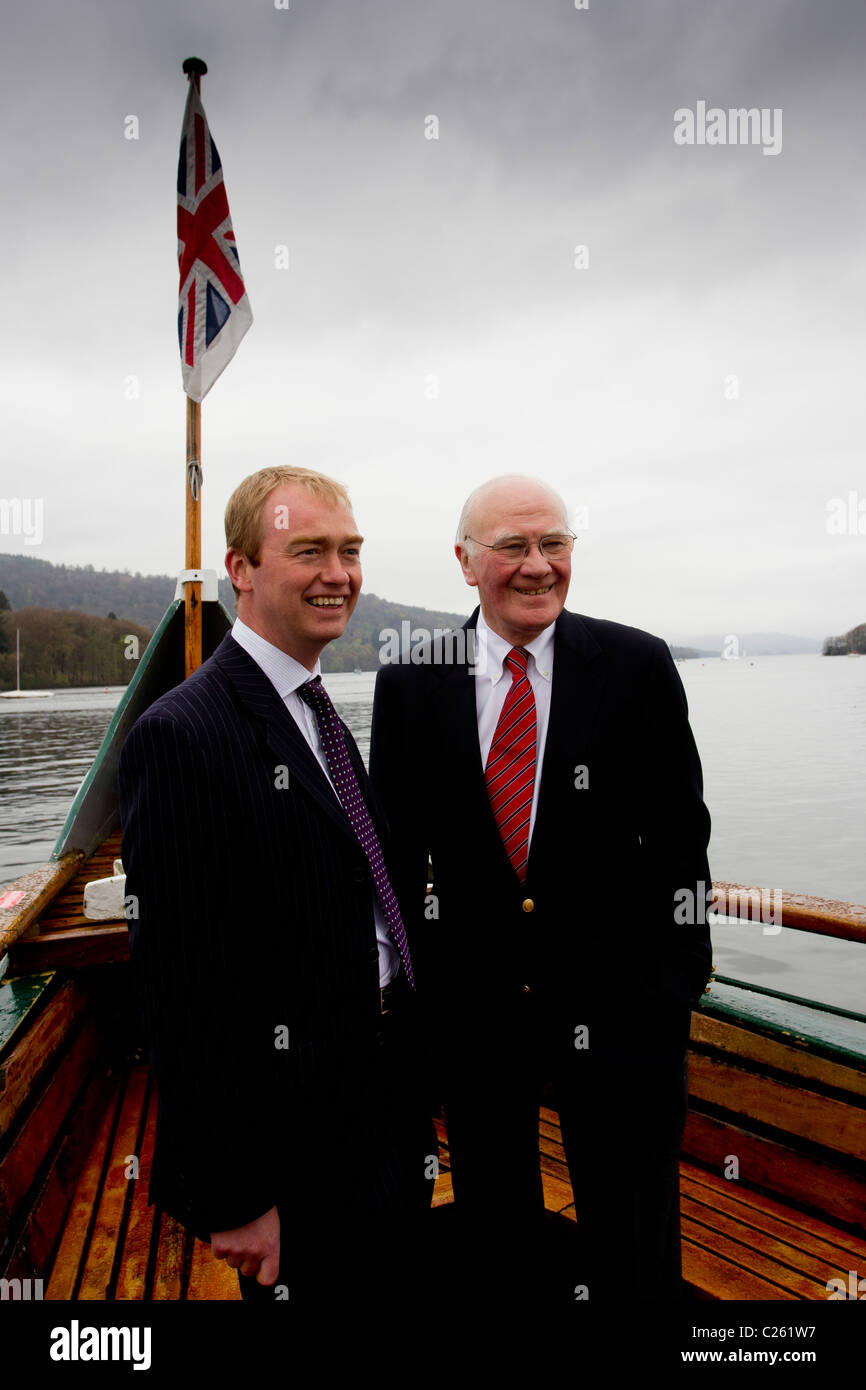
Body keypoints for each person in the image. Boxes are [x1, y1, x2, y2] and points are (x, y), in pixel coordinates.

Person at [369, 474, 713, 1306]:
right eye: (513, 547)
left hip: (624, 1010)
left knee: (633, 1241)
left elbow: (681, 841)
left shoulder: (635, 664)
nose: (537, 566)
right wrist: (415, 1007)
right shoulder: (413, 679)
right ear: (465, 561)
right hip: (476, 1015)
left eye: (553, 544)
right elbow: (393, 860)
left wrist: (676, 987)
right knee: (497, 1236)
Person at [118, 465, 433, 1306]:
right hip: (291, 1149)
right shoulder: (183, 736)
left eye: (350, 550)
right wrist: (235, 1196)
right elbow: (180, 991)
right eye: (309, 552)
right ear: (241, 568)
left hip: (380, 1114)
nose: (338, 574)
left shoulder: (317, 708)